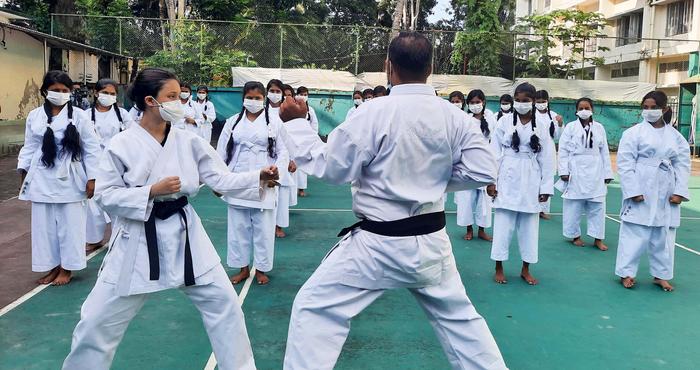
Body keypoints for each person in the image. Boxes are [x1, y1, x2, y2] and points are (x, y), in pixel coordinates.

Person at [278, 32, 506, 370]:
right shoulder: (455, 117)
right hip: (431, 242)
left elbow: (333, 168)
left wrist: (296, 124)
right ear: (431, 67)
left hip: (376, 245)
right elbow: (484, 170)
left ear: (388, 67)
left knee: (315, 309)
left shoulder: (372, 113)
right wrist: (435, 183)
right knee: (461, 322)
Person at [63, 68, 279, 370]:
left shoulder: (188, 141)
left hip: (185, 235)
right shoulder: (122, 144)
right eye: (173, 97)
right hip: (137, 239)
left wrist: (258, 175)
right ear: (151, 101)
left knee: (226, 308)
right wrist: (150, 191)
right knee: (97, 321)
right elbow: (104, 195)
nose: (180, 102)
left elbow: (220, 178)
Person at [17, 71, 101, 286]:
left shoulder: (80, 116)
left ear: (70, 92)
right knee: (43, 228)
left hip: (71, 177)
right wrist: (23, 172)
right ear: (45, 91)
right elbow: (30, 146)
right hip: (42, 176)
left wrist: (92, 178)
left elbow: (91, 148)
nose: (60, 94)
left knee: (70, 226)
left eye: (65, 91)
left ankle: (66, 268)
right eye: (55, 90)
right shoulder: (35, 116)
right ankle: (52, 267)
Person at [614, 90, 690, 292]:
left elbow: (683, 164)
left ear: (664, 109)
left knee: (664, 234)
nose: (649, 111)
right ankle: (627, 272)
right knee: (634, 231)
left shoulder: (676, 137)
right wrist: (633, 190)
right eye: (645, 107)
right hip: (642, 180)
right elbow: (625, 163)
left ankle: (661, 275)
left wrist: (680, 191)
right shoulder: (632, 133)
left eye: (654, 107)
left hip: (666, 185)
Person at [217, 81, 289, 285]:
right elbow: (221, 152)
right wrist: (219, 180)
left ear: (264, 99)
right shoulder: (232, 122)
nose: (253, 101)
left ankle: (261, 269)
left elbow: (283, 151)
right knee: (238, 228)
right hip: (238, 178)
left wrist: (278, 174)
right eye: (250, 97)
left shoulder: (274, 122)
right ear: (243, 98)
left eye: (258, 98)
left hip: (265, 178)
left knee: (264, 229)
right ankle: (242, 268)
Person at [490, 82, 553, 285]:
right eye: (517, 100)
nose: (520, 103)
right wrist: (491, 181)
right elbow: (494, 153)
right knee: (502, 225)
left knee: (529, 228)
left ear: (533, 101)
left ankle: (526, 269)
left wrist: (546, 187)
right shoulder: (504, 122)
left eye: (525, 100)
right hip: (507, 174)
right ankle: (499, 266)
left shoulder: (542, 125)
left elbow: (547, 158)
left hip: (531, 177)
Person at [557, 98, 613, 251]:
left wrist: (608, 172)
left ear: (592, 109)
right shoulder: (570, 127)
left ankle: (598, 238)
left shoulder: (600, 128)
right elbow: (563, 150)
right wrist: (563, 171)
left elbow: (604, 151)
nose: (584, 110)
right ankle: (575, 236)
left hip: (596, 169)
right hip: (575, 168)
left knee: (598, 205)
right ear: (576, 110)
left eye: (586, 107)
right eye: (580, 108)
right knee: (573, 205)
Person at [85, 78, 133, 252]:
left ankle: (119, 235)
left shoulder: (122, 114)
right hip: (93, 164)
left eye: (112, 94)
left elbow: (132, 136)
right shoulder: (85, 115)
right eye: (105, 93)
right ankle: (94, 238)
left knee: (117, 200)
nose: (109, 96)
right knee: (93, 204)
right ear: (96, 93)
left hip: (117, 162)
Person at [455, 89, 497, 242]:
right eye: (472, 103)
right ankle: (469, 229)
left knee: (484, 200)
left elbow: (495, 141)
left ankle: (482, 230)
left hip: (485, 162)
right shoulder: (465, 119)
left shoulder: (491, 118)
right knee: (467, 198)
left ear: (483, 102)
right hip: (469, 162)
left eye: (477, 102)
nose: (475, 105)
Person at [534, 90, 563, 220]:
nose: (541, 104)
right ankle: (533, 206)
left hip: (549, 149)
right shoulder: (531, 114)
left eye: (543, 102)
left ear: (547, 101)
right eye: (538, 102)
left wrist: (560, 124)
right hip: (534, 148)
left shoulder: (553, 116)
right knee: (534, 177)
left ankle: (543, 209)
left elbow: (557, 136)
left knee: (547, 177)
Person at [275, 84, 298, 238]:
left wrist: (293, 158)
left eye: (278, 92)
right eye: (272, 91)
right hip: (268, 157)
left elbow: (293, 137)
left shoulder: (289, 112)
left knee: (282, 194)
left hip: (284, 156)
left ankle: (278, 226)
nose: (275, 94)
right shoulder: (263, 113)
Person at [295, 86, 319, 197]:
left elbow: (314, 125)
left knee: (302, 166)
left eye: (305, 94)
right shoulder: (292, 107)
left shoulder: (311, 110)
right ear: (297, 95)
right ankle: (292, 188)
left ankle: (301, 189)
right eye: (301, 94)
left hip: (305, 141)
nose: (303, 96)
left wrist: (312, 139)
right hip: (293, 140)